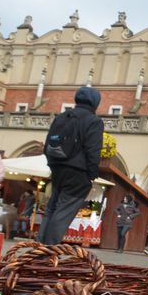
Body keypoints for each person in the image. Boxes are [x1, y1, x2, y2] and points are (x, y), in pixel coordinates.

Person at [38, 87, 105, 244]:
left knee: (52, 208)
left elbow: (47, 144)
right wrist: (92, 175)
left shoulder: (62, 117)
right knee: (64, 211)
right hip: (78, 172)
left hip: (57, 167)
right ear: (95, 102)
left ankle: (39, 247)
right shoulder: (93, 121)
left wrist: (53, 164)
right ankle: (48, 251)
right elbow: (93, 150)